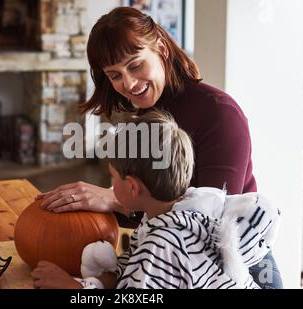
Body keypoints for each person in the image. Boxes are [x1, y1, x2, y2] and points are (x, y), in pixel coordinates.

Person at [38, 7, 282, 288]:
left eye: (135, 65)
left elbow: (207, 224)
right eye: (114, 75)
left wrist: (112, 199)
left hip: (242, 270)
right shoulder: (146, 117)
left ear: (162, 48)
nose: (128, 83)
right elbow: (152, 213)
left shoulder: (220, 113)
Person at [31, 111, 280, 289]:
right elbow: (133, 275)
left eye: (113, 177)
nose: (110, 185)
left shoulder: (163, 242)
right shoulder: (175, 216)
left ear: (132, 187)